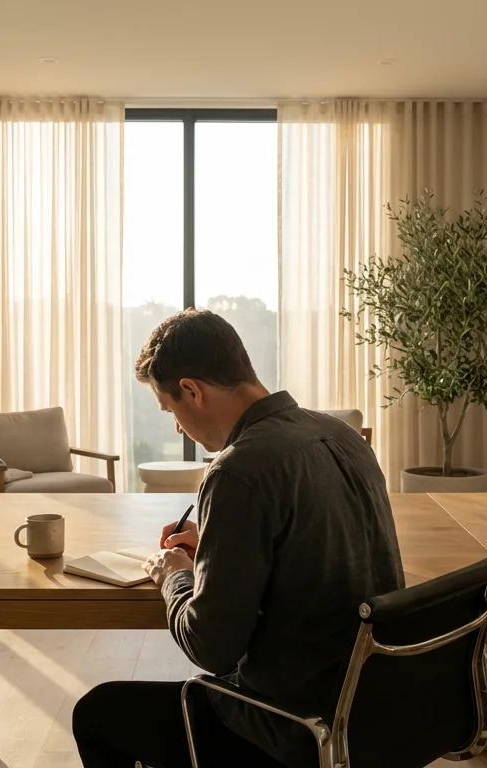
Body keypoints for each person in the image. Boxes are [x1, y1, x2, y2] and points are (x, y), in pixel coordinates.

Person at [72, 308, 404, 768]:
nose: (175, 426)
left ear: (192, 390)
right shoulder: (343, 436)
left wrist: (174, 576)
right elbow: (310, 539)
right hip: (378, 709)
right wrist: (214, 540)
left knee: (98, 714)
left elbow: (211, 648)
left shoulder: (236, 471)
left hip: (292, 727)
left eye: (170, 410)